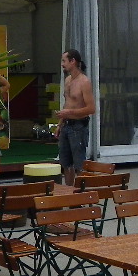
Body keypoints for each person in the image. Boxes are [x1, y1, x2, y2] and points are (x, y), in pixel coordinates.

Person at [54, 48, 96, 185]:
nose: (62, 64)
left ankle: (81, 192)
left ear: (73, 61)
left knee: (79, 164)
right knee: (66, 164)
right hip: (66, 125)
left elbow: (91, 109)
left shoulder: (84, 82)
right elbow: (67, 104)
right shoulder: (67, 80)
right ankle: (69, 192)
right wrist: (60, 124)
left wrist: (69, 113)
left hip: (79, 126)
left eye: (64, 61)